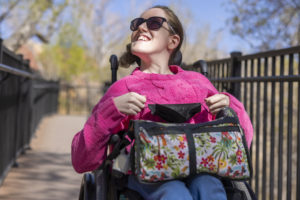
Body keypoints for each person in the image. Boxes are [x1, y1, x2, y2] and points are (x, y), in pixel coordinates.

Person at [71, 5, 253, 200]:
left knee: (210, 187)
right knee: (173, 192)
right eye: (136, 24)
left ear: (173, 41)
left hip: (202, 169)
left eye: (153, 23)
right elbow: (82, 161)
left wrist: (230, 105)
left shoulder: (198, 82)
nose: (140, 28)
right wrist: (110, 111)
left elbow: (244, 141)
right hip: (147, 174)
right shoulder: (124, 88)